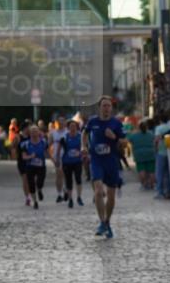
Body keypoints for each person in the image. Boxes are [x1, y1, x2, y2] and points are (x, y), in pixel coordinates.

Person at [82, 95, 127, 238]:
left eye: (109, 106)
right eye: (104, 106)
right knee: (98, 191)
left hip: (112, 162)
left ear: (111, 108)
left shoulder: (116, 123)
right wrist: (84, 146)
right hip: (96, 161)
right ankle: (102, 222)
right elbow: (84, 133)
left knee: (111, 197)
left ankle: (107, 222)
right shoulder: (92, 121)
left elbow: (124, 142)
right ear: (99, 108)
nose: (106, 108)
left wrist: (113, 137)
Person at [21, 123, 48, 209]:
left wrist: (54, 160)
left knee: (40, 182)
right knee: (31, 184)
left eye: (36, 131)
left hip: (41, 166)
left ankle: (39, 190)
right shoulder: (25, 144)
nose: (34, 133)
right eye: (32, 131)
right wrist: (30, 156)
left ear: (39, 132)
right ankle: (35, 201)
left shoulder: (43, 142)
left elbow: (47, 153)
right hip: (30, 166)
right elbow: (23, 157)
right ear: (29, 133)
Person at [59, 119, 85, 208]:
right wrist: (57, 159)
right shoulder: (64, 137)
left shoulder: (80, 136)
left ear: (77, 127)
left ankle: (79, 197)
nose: (73, 128)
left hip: (77, 161)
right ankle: (70, 199)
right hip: (67, 162)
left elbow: (84, 147)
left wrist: (82, 154)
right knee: (68, 181)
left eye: (74, 126)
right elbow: (59, 149)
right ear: (68, 128)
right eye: (71, 126)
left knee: (78, 179)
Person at [128, 120, 157, 190]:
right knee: (151, 171)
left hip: (139, 155)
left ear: (139, 128)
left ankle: (144, 184)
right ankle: (152, 185)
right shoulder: (151, 134)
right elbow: (155, 140)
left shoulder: (134, 135)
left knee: (141, 170)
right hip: (150, 154)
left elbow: (129, 140)